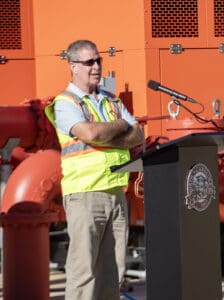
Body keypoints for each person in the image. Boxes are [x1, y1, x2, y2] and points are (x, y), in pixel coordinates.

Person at [45, 39, 143, 300]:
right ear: (73, 66)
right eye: (89, 62)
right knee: (84, 270)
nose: (96, 66)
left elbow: (138, 134)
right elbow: (88, 133)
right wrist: (121, 125)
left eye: (98, 60)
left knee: (114, 272)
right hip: (85, 194)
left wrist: (107, 133)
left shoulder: (111, 100)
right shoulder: (65, 103)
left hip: (115, 192)